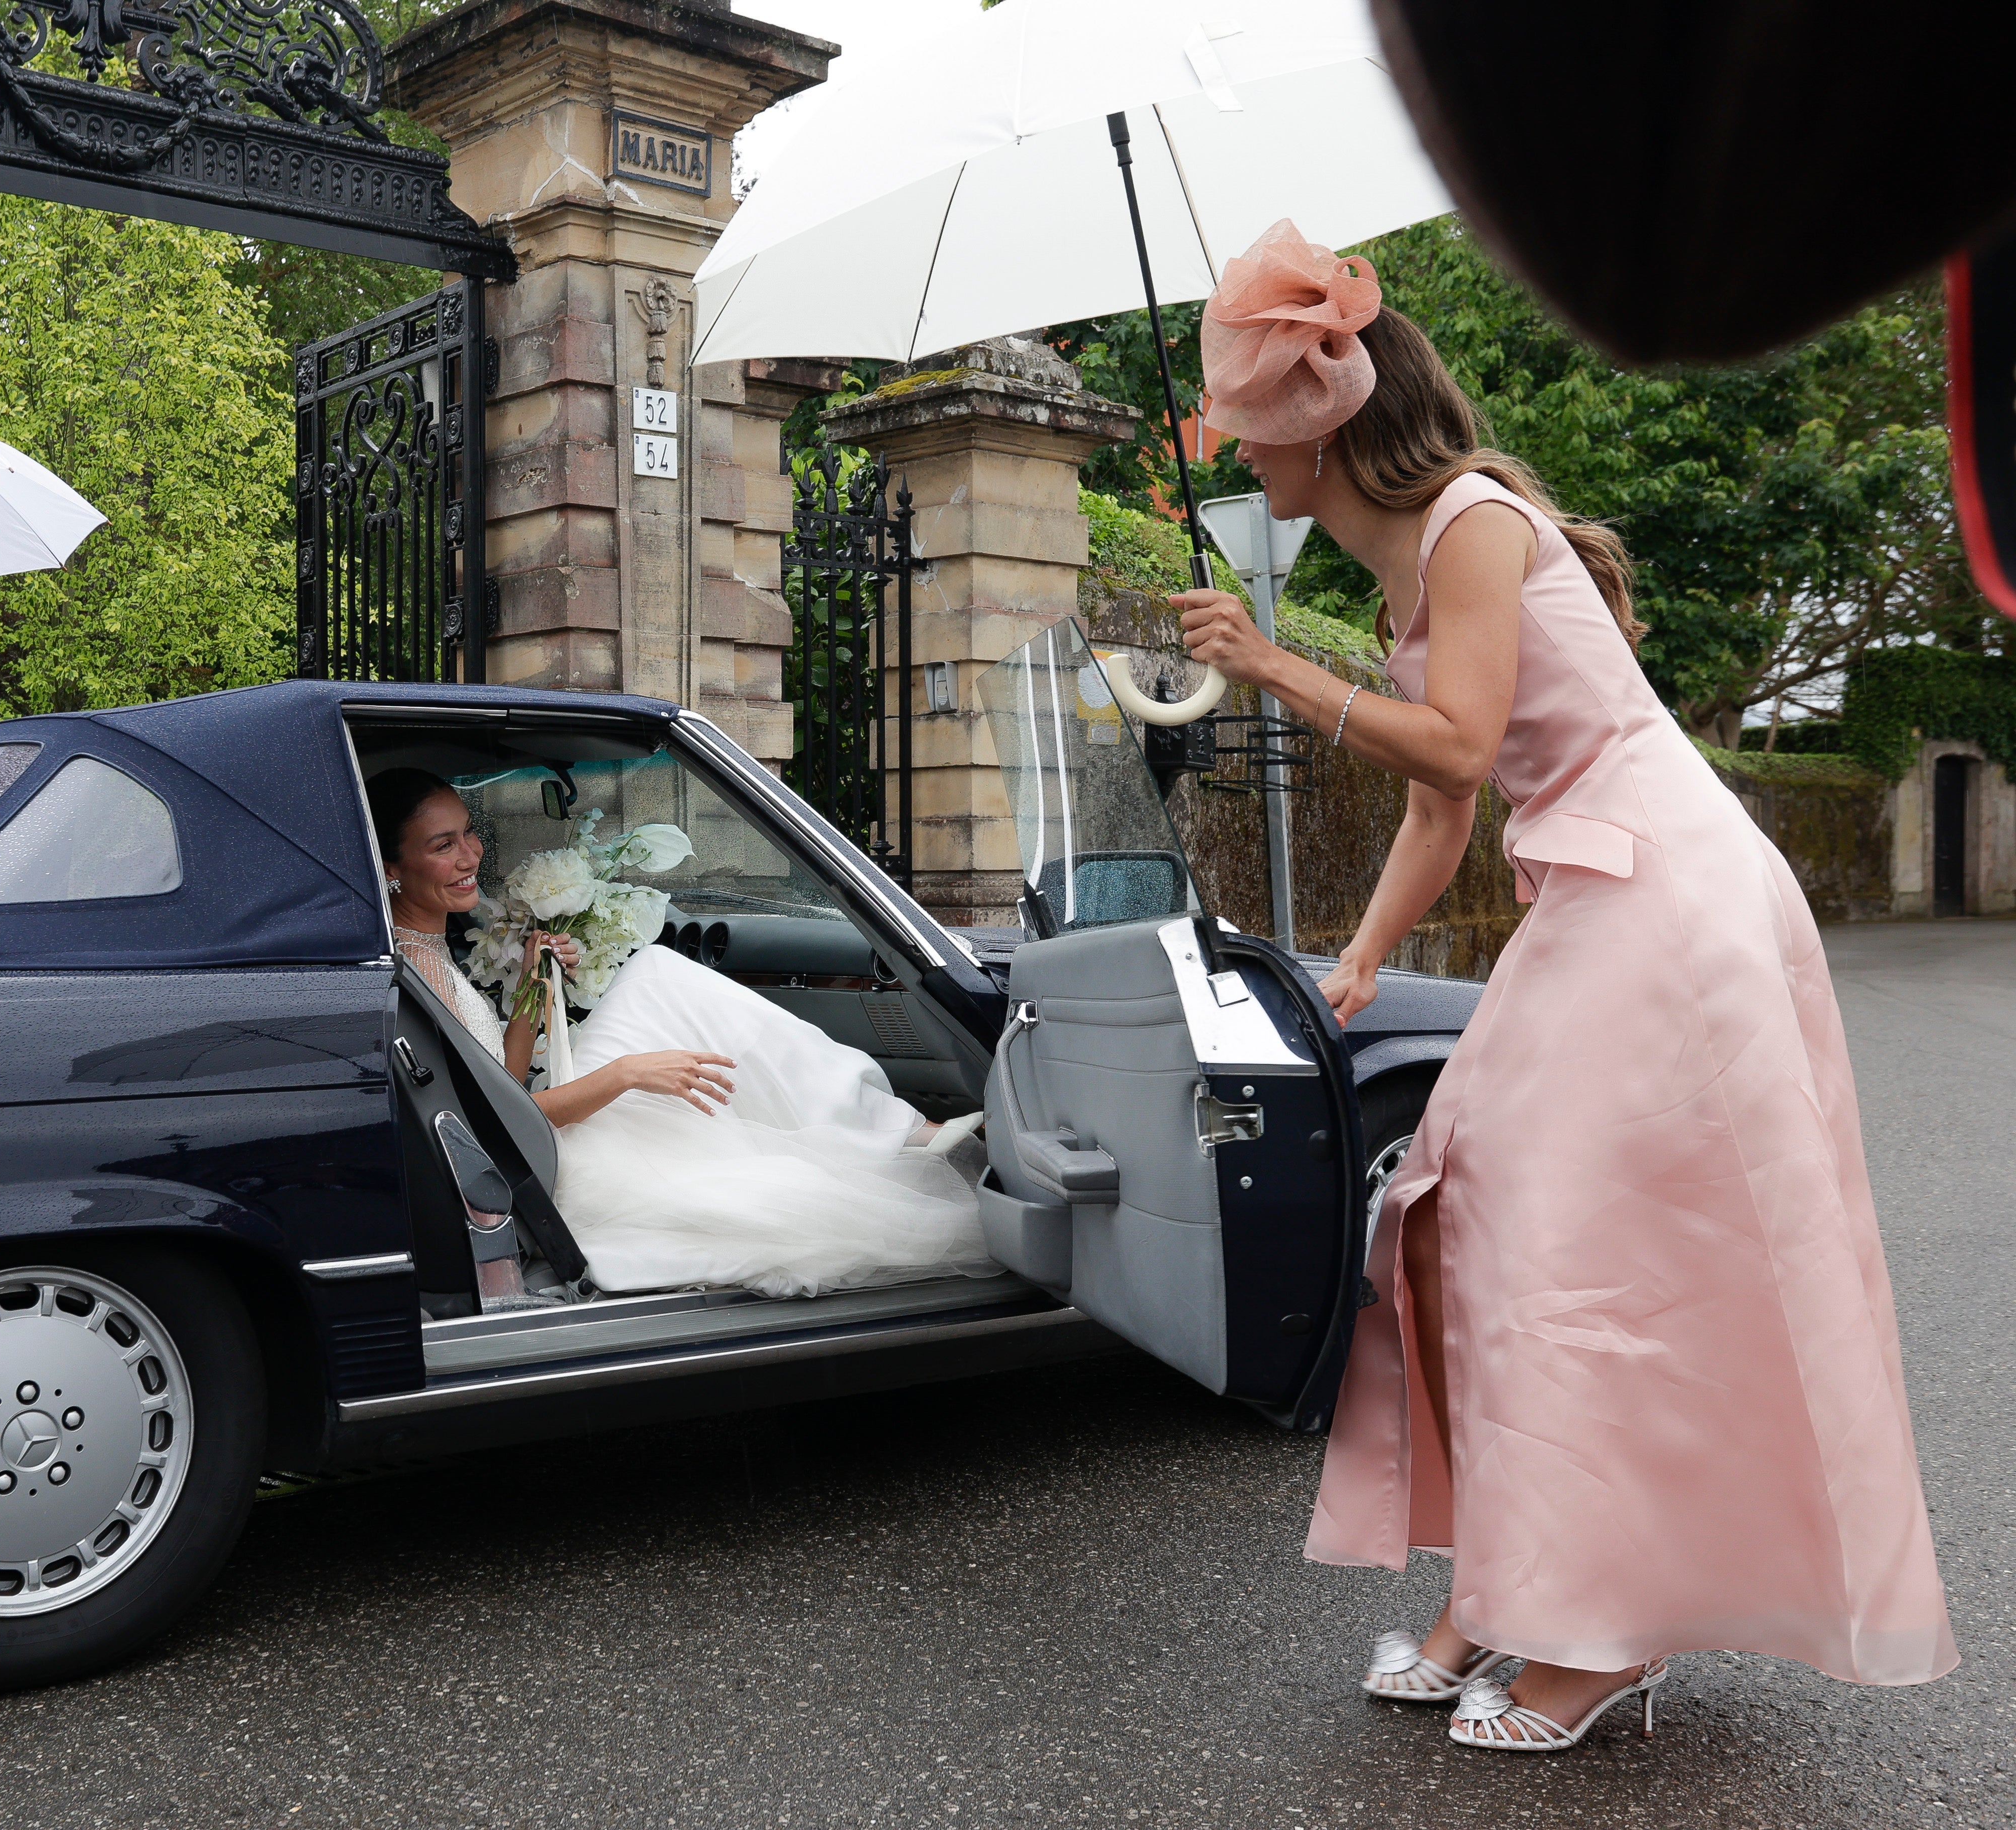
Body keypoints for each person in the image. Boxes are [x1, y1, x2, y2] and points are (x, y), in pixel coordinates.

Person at [1170, 221, 1956, 1750]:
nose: (1235, 448)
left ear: (1320, 422)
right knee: (1445, 1220)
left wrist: (1273, 671)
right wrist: (1365, 951)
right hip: (1597, 892)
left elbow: (1461, 742)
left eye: (1249, 420)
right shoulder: (1407, 573)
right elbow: (1446, 807)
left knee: (1573, 1249)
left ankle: (1603, 1636)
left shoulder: (1471, 522)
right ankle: (1510, 1583)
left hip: (1669, 892)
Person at [367, 767, 993, 1299]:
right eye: (443, 845)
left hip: (529, 1140)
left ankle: (885, 1127)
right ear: (392, 867)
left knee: (656, 978)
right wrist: (628, 1075)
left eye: (469, 833)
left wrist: (536, 981)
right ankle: (892, 1127)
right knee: (657, 978)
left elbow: (497, 1085)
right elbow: (489, 1130)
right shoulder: (419, 968)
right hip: (537, 1168)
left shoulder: (422, 949)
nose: (470, 856)